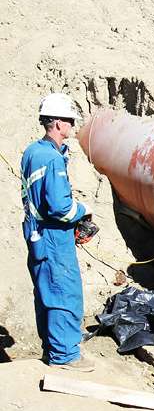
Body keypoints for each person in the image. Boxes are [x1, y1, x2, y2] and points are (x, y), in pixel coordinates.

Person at [21, 93, 95, 371]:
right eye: (70, 121)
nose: (72, 126)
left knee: (46, 292)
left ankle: (52, 348)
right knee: (64, 292)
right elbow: (60, 207)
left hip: (37, 234)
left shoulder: (32, 151)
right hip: (53, 237)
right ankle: (65, 355)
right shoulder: (52, 159)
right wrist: (83, 210)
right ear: (59, 123)